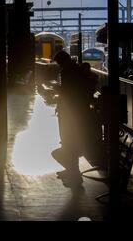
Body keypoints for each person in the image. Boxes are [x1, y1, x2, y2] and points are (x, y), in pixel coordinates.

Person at [52, 51, 85, 187]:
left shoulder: (67, 72)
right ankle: (72, 171)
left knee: (68, 142)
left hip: (68, 112)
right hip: (73, 111)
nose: (59, 66)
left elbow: (67, 92)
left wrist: (57, 89)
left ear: (63, 61)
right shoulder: (75, 70)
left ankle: (74, 173)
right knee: (69, 144)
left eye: (59, 63)